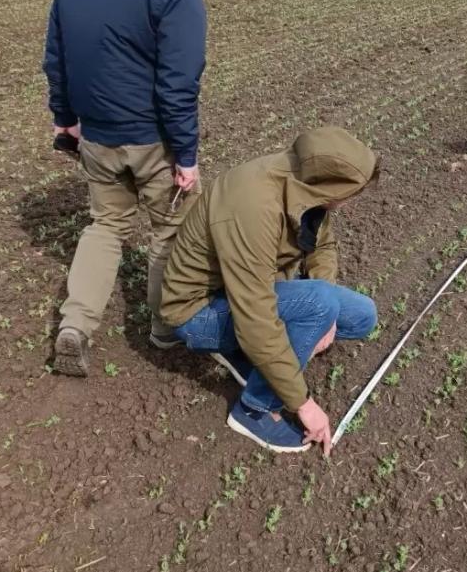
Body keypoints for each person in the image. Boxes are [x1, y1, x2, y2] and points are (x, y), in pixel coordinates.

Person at [43, 0, 207, 377]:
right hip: (153, 141)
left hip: (96, 133)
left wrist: (65, 120)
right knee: (172, 231)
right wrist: (186, 157)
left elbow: (56, 56)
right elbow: (179, 86)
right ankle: (165, 329)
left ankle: (75, 325)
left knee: (105, 226)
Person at [160, 126, 380, 456]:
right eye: (351, 194)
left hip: (247, 293)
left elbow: (322, 246)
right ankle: (254, 410)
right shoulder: (253, 206)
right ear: (333, 185)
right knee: (319, 304)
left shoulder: (307, 185)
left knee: (361, 315)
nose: (349, 203)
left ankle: (244, 353)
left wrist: (330, 313)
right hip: (198, 311)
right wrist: (303, 404)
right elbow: (255, 316)